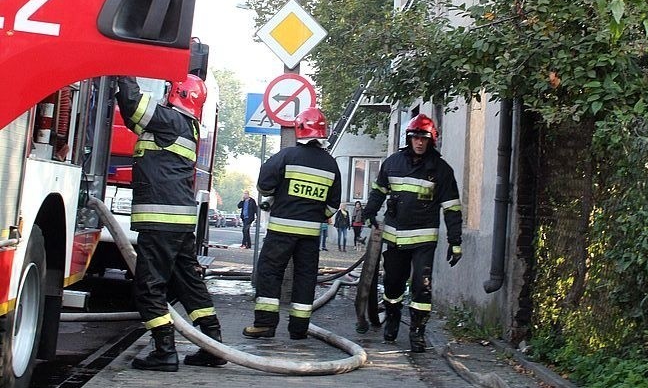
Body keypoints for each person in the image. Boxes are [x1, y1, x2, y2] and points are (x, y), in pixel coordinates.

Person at [116, 75, 227, 371]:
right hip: (178, 223)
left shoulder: (169, 121)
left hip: (160, 222)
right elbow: (132, 115)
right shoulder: (180, 125)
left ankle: (164, 350)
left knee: (149, 287)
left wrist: (125, 68)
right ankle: (213, 346)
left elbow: (132, 103)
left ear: (176, 93)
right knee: (190, 286)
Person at [363, 114, 462, 353]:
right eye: (415, 138)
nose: (419, 142)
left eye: (423, 139)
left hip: (424, 239)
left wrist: (455, 241)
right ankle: (393, 319)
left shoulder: (441, 170)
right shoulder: (393, 163)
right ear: (409, 139)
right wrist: (369, 212)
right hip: (396, 237)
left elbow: (452, 208)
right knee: (392, 283)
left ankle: (418, 331)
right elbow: (378, 191)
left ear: (431, 140)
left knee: (421, 285)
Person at [243, 106, 341, 340]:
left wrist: (277, 195)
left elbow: (264, 185)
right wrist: (315, 215)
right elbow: (333, 204)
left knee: (269, 273)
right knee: (306, 278)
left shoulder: (286, 156)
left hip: (281, 231)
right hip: (310, 234)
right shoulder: (331, 165)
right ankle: (299, 329)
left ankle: (265, 325)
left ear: (299, 130)